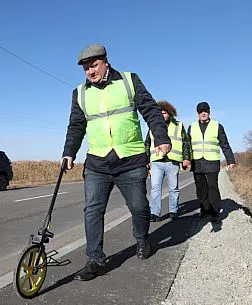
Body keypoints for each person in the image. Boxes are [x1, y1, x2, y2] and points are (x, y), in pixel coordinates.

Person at [62, 44, 171, 281]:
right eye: (85, 69)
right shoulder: (80, 92)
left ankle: (142, 240)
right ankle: (95, 259)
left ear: (105, 62)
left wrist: (161, 137)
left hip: (130, 160)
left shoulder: (129, 81)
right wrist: (69, 152)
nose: (90, 72)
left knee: (140, 207)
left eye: (93, 66)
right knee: (92, 210)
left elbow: (150, 111)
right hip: (97, 162)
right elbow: (76, 125)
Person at [187, 102, 235, 221]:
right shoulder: (192, 126)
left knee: (212, 187)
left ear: (209, 112)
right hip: (197, 162)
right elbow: (187, 145)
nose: (203, 113)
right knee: (200, 188)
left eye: (205, 111)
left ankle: (215, 212)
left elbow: (224, 144)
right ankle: (205, 210)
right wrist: (186, 159)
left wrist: (230, 160)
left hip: (212, 161)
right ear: (197, 113)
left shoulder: (217, 126)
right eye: (200, 111)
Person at [145, 100, 191, 221]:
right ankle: (155, 213)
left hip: (173, 161)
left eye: (164, 113)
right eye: (160, 113)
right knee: (155, 188)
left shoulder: (178, 125)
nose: (162, 115)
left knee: (173, 188)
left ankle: (173, 211)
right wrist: (146, 160)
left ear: (170, 113)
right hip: (156, 161)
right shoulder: (152, 125)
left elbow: (186, 142)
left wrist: (186, 158)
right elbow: (147, 143)